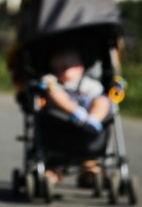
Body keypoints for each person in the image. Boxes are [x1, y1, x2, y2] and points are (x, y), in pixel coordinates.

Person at [39, 47, 111, 187]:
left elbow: (102, 96)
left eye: (64, 68)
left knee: (103, 101)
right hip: (62, 120)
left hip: (89, 123)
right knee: (55, 93)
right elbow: (46, 83)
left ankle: (93, 119)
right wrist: (49, 80)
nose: (59, 72)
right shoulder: (56, 84)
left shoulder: (90, 84)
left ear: (79, 68)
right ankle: (76, 112)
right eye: (56, 69)